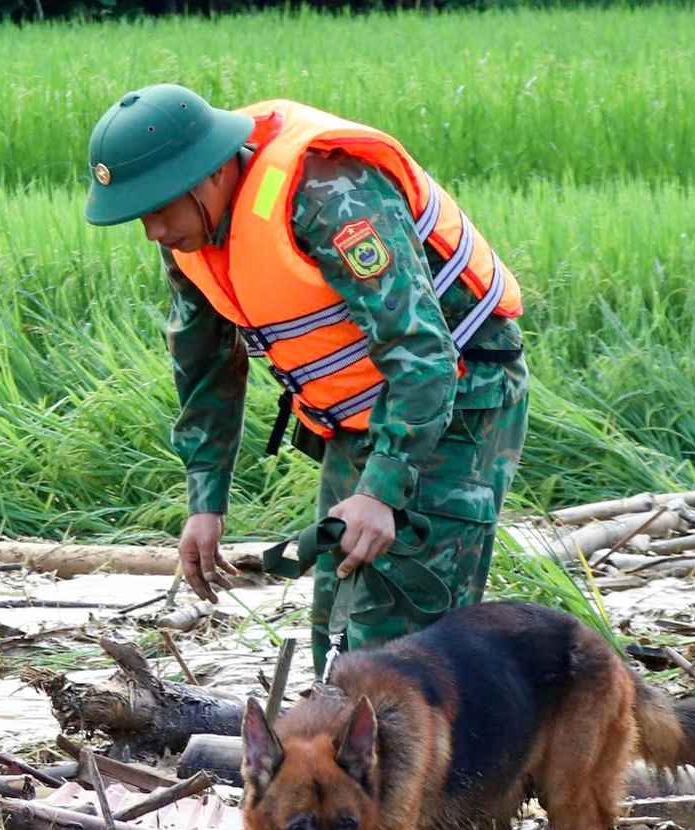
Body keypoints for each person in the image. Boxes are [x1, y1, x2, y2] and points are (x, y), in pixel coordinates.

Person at [83, 85, 529, 673]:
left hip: (457, 403)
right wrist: (205, 502)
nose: (152, 231)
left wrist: (380, 491)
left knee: (401, 644)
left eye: (159, 207)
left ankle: (467, 757)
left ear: (207, 174)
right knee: (337, 623)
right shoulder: (190, 235)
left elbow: (421, 352)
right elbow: (205, 364)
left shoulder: (331, 195)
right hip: (359, 419)